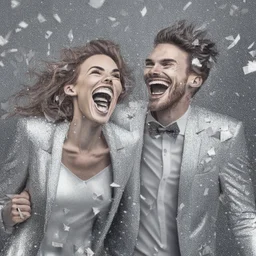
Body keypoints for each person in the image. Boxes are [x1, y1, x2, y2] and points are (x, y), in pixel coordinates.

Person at [0, 39, 145, 256]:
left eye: (115, 76)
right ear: (71, 88)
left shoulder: (128, 145)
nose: (109, 79)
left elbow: (126, 228)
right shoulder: (33, 134)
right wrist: (6, 215)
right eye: (96, 72)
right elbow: (3, 199)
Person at [134, 20, 256, 256]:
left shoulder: (225, 134)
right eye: (150, 64)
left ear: (195, 79)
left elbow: (244, 218)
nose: (152, 71)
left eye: (167, 64)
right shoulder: (119, 120)